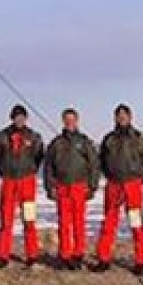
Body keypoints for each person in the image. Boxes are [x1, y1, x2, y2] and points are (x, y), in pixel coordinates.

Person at [93, 103, 143, 276]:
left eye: (124, 115)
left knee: (136, 222)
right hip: (113, 184)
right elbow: (102, 160)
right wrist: (109, 175)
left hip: (132, 185)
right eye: (118, 115)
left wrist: (140, 178)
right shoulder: (109, 139)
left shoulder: (138, 138)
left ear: (130, 117)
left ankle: (142, 260)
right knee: (109, 221)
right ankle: (103, 258)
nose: (121, 118)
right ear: (115, 118)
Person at [42, 107, 100, 270]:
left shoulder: (84, 142)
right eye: (67, 120)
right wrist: (49, 186)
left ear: (77, 120)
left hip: (79, 186)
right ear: (63, 121)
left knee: (79, 222)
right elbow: (48, 167)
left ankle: (78, 253)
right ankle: (65, 255)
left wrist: (92, 186)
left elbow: (94, 164)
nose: (69, 122)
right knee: (64, 222)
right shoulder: (56, 143)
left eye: (72, 120)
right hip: (61, 187)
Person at [0, 104, 46, 268]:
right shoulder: (1, 136)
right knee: (6, 219)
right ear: (12, 118)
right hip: (8, 181)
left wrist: (31, 170)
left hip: (27, 182)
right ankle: (3, 254)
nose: (19, 120)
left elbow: (39, 156)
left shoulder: (34, 136)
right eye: (16, 117)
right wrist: (4, 171)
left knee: (29, 219)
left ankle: (32, 255)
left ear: (26, 118)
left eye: (22, 117)